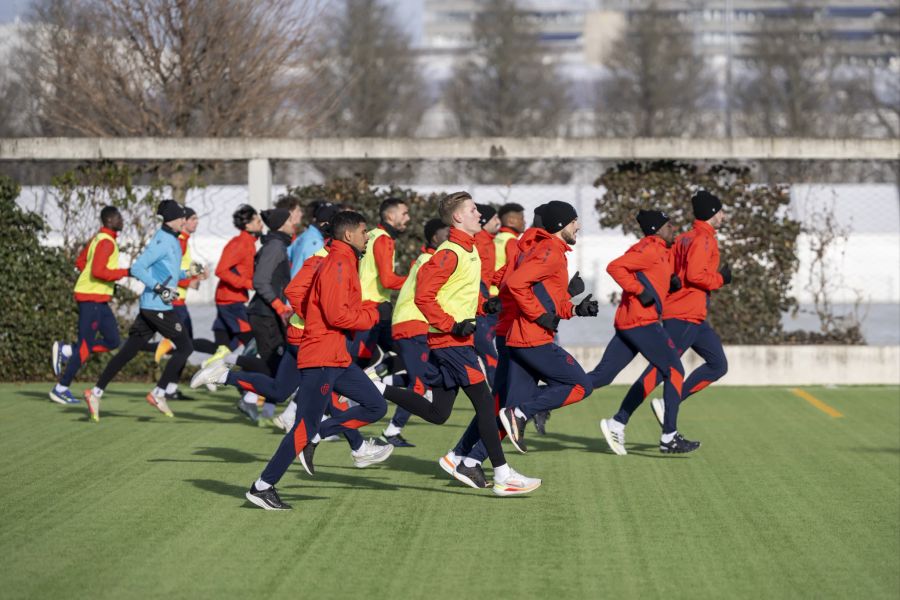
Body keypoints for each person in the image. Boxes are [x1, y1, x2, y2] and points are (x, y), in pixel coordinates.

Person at [245, 211, 416, 510]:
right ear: (349, 235)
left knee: (375, 406)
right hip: (322, 355)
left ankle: (318, 437)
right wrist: (375, 314)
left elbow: (304, 295)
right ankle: (263, 486)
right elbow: (338, 314)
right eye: (364, 231)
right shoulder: (337, 262)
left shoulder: (340, 259)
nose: (368, 236)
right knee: (303, 427)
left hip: (335, 355)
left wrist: (316, 312)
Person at [375, 192, 541, 496]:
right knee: (487, 404)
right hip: (450, 342)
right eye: (473, 210)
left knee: (439, 413)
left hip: (455, 340)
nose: (480, 214)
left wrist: (484, 306)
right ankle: (502, 475)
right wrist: (450, 324)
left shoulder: (470, 249)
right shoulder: (449, 252)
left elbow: (460, 293)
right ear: (457, 218)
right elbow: (424, 296)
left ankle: (378, 388)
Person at [601, 191, 730, 454]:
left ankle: (668, 404)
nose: (724, 215)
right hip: (683, 313)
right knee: (663, 372)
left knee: (717, 364)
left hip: (692, 314)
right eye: (721, 210)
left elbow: (670, 268)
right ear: (713, 213)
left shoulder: (682, 238)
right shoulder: (704, 239)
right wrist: (720, 279)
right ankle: (622, 421)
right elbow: (694, 274)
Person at [588, 209, 701, 455]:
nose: (673, 228)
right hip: (641, 322)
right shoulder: (648, 248)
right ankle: (669, 437)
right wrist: (639, 290)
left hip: (632, 322)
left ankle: (539, 402)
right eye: (669, 225)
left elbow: (659, 270)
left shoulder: (662, 250)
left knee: (602, 376)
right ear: (657, 229)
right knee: (674, 371)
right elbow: (615, 267)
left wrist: (670, 279)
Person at [496, 201, 599, 454]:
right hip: (531, 339)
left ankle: (467, 458)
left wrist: (576, 309)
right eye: (574, 221)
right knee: (581, 386)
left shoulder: (548, 250)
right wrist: (540, 315)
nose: (579, 226)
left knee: (500, 409)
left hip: (523, 337)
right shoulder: (549, 250)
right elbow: (515, 283)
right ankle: (521, 413)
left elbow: (550, 301)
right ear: (561, 224)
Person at [83, 200, 193, 422]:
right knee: (185, 346)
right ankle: (159, 393)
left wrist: (189, 272)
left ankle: (95, 393)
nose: (185, 220)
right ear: (172, 218)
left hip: (154, 305)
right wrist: (160, 288)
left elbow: (168, 272)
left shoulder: (172, 239)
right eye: (183, 217)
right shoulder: (162, 241)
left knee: (128, 351)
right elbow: (137, 268)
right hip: (156, 306)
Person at [379, 218, 450, 447]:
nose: (450, 238)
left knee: (424, 376)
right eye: (446, 234)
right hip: (414, 325)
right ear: (434, 239)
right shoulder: (431, 261)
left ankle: (376, 382)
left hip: (412, 324)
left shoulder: (425, 259)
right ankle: (391, 431)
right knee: (420, 384)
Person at [50, 206, 130, 405]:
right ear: (110, 220)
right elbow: (98, 272)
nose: (123, 221)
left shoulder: (100, 239)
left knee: (112, 341)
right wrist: (125, 272)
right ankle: (61, 388)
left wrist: (96, 278)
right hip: (91, 299)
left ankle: (67, 350)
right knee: (85, 348)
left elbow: (81, 262)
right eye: (120, 217)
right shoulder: (105, 242)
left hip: (99, 300)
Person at [152, 206, 217, 400]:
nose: (196, 222)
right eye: (193, 218)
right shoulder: (179, 242)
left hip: (178, 301)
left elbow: (183, 267)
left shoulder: (184, 242)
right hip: (174, 302)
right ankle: (162, 389)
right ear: (184, 221)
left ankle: (170, 388)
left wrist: (198, 272)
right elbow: (169, 273)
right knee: (184, 345)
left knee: (185, 344)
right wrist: (193, 280)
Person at [353, 197, 410, 363]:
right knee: (359, 363)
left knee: (401, 355)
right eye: (404, 214)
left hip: (367, 307)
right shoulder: (384, 239)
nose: (408, 218)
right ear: (391, 216)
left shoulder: (370, 235)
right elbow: (388, 281)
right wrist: (416, 281)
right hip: (372, 309)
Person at [209, 205, 262, 356]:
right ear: (248, 225)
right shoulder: (239, 244)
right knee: (253, 342)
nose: (261, 224)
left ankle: (212, 371)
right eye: (258, 221)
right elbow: (221, 270)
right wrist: (248, 284)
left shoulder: (249, 243)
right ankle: (250, 376)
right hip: (231, 301)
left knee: (224, 348)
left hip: (231, 299)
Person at [473, 203, 501, 386]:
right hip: (478, 297)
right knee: (491, 357)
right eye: (494, 218)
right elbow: (476, 276)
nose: (499, 222)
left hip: (484, 295)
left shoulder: (488, 241)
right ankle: (500, 403)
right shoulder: (480, 241)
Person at [288, 200, 339, 277]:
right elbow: (313, 275)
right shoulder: (315, 243)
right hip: (302, 287)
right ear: (326, 223)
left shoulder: (303, 236)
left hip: (293, 285)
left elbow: (288, 256)